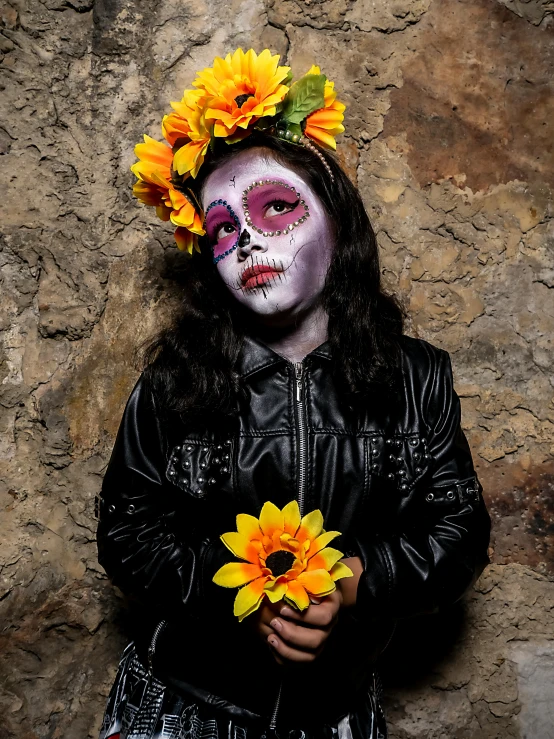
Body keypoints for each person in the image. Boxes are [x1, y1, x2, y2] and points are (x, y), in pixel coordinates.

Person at [96, 48, 491, 739]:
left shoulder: (417, 377)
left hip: (332, 713)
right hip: (190, 707)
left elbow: (457, 534)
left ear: (337, 222)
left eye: (274, 208)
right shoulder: (173, 381)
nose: (246, 241)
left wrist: (352, 582)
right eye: (222, 228)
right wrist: (241, 594)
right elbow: (127, 532)